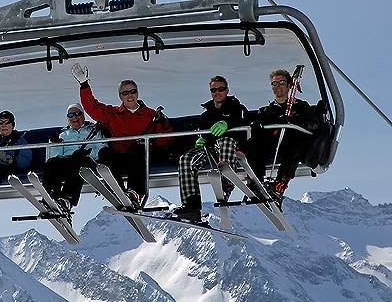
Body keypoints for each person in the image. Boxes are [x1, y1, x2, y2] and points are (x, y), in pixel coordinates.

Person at [70, 63, 172, 205]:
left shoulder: (151, 115)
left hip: (140, 158)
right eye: (125, 93)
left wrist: (161, 126)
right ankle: (118, 191)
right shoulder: (113, 114)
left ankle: (135, 192)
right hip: (120, 156)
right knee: (105, 153)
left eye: (133, 91)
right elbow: (92, 107)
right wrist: (84, 85)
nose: (130, 95)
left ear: (137, 93)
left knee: (137, 148)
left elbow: (164, 140)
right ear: (120, 96)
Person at [172, 75, 249, 222]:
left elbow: (243, 123)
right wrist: (200, 139)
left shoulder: (237, 108)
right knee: (186, 159)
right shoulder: (207, 115)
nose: (217, 92)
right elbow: (201, 132)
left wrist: (228, 124)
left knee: (225, 141)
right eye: (214, 90)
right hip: (211, 148)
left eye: (221, 89)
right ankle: (191, 205)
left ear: (227, 90)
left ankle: (226, 184)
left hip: (231, 146)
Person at [248, 69, 318, 202]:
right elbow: (260, 128)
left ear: (289, 85)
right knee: (254, 143)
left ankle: (280, 183)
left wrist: (295, 120)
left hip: (292, 144)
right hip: (272, 144)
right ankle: (256, 181)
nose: (277, 86)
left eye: (281, 83)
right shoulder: (266, 111)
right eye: (274, 84)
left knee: (296, 145)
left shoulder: (301, 106)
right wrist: (257, 125)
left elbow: (313, 124)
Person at [41, 103, 105, 213]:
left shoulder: (93, 131)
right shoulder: (63, 134)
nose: (74, 117)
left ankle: (67, 199)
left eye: (77, 113)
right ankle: (51, 196)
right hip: (68, 163)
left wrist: (89, 153)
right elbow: (55, 156)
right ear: (68, 119)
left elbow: (102, 148)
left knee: (78, 161)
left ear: (83, 115)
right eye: (70, 115)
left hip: (88, 162)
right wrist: (56, 145)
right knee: (51, 163)